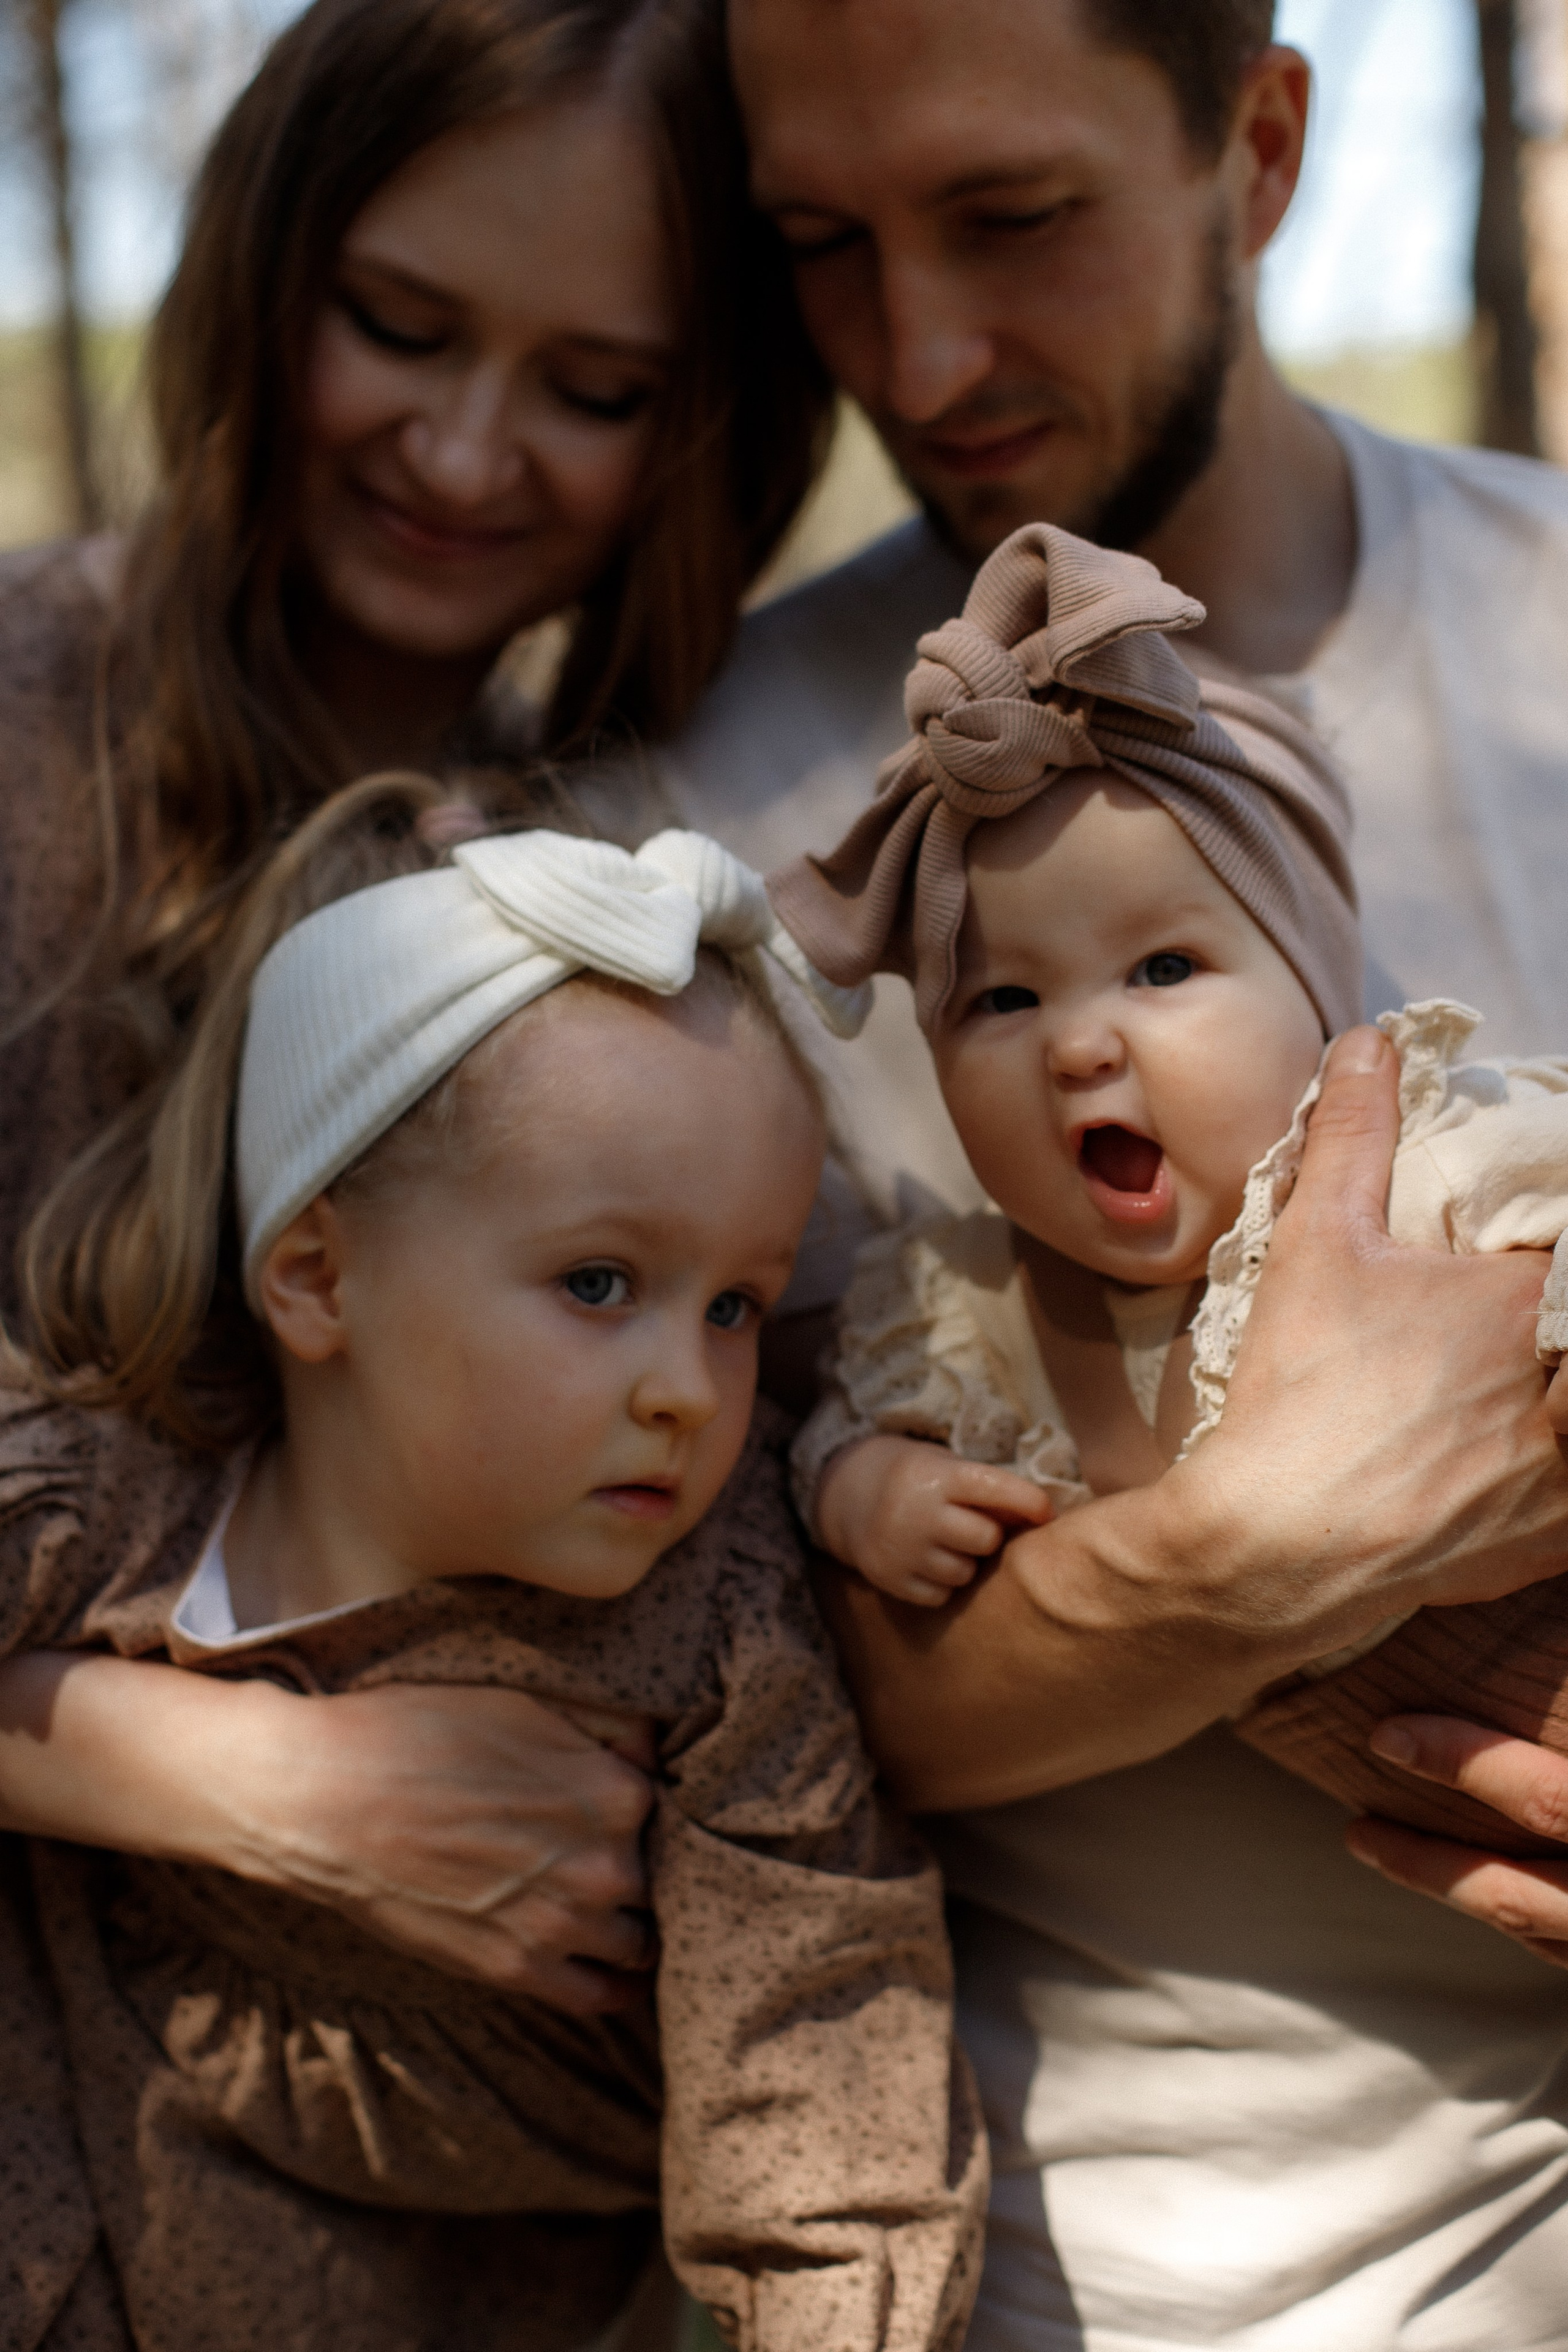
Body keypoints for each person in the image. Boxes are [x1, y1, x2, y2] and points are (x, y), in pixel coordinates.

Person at [575, 1, 1568, 2341]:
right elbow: (740, 1698)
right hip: (1071, 2261)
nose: (919, 354)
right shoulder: (687, 820)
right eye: (821, 246)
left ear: (1262, 142)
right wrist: (1245, 1554)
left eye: (1014, 218)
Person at [0, 0, 835, 2075]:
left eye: (596, 386)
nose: (468, 456)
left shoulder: (639, 883)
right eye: (396, 324)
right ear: (264, 278)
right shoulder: (24, 727)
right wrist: (233, 1783)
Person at [1, 777, 984, 2351]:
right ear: (318, 1278)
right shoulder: (114, 1499)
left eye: (733, 1306)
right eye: (601, 1283)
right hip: (79, 2199)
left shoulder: (713, 1634)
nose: (688, 1384)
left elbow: (819, 2046)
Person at [785, 525, 1568, 1867]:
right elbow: (852, 1425)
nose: (1079, 1045)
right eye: (1004, 1000)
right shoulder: (968, 1309)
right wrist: (856, 1486)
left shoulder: (1422, 1168)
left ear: (1318, 999)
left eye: (1159, 970)